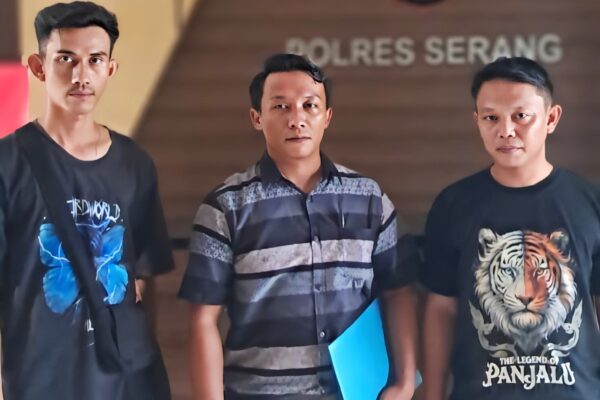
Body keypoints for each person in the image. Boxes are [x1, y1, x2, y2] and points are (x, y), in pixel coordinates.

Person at [178, 53, 419, 399]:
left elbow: (399, 292)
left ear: (327, 116)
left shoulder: (369, 198)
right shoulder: (225, 207)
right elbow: (203, 320)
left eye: (310, 106)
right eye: (281, 107)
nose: (297, 119)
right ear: (256, 117)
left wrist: (404, 383)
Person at [0, 2, 174, 399]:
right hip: (42, 382)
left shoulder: (134, 164)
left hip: (128, 381)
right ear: (38, 67)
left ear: (110, 69)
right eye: (66, 59)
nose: (81, 75)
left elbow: (145, 279)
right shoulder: (8, 163)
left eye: (95, 60)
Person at [420, 56, 600, 400]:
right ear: (477, 120)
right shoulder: (454, 203)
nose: (505, 130)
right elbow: (441, 307)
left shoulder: (589, 203)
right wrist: (432, 393)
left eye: (521, 116)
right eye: (491, 117)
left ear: (551, 118)